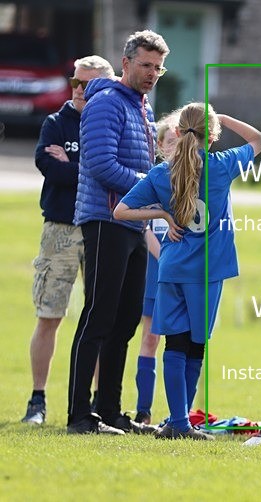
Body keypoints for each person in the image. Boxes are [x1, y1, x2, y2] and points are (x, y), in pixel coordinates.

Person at [114, 103, 261, 440]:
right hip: (206, 273)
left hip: (172, 268)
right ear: (212, 136)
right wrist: (223, 119)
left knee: (174, 344)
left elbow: (121, 211)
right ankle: (180, 423)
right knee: (196, 345)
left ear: (178, 133)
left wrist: (164, 217)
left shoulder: (159, 174)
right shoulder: (222, 165)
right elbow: (259, 139)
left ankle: (178, 421)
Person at [67, 30, 169, 435]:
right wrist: (151, 184)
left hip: (133, 224)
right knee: (98, 316)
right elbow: (100, 165)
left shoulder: (142, 106)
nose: (152, 73)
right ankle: (79, 415)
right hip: (105, 221)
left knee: (126, 320)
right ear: (125, 63)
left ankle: (110, 411)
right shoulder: (107, 103)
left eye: (158, 67)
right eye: (145, 65)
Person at [21, 55, 115, 425]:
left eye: (87, 85)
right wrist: (90, 170)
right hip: (59, 229)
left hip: (101, 229)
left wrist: (75, 166)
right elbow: (49, 167)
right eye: (75, 82)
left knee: (99, 320)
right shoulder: (55, 122)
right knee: (49, 315)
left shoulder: (113, 121)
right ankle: (37, 400)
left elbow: (112, 173)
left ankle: (92, 403)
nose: (79, 90)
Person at [134, 112, 179, 425]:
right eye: (170, 142)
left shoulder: (198, 178)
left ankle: (182, 414)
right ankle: (143, 411)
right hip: (156, 272)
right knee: (149, 338)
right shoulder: (154, 178)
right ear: (160, 146)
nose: (176, 147)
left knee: (185, 343)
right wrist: (165, 258)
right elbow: (144, 226)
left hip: (185, 275)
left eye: (181, 141)